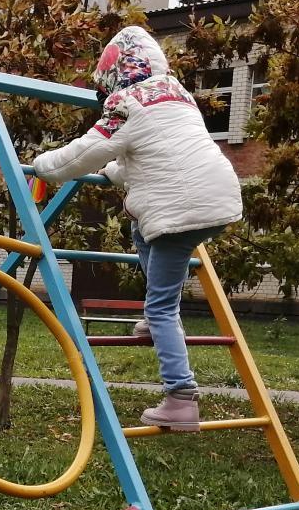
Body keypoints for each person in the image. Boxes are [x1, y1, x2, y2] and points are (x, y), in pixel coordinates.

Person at [32, 25, 243, 432]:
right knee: (142, 233)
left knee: (163, 306)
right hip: (218, 198)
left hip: (180, 210)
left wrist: (43, 164)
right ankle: (154, 320)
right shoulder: (177, 95)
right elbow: (153, 152)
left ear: (114, 72)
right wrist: (115, 173)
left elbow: (86, 153)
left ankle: (181, 398)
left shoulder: (126, 103)